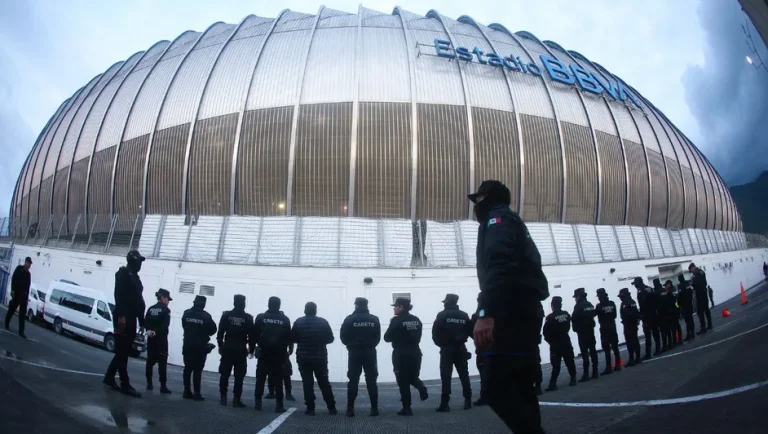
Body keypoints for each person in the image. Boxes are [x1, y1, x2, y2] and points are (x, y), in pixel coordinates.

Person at [469, 179, 548, 434]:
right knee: (522, 388)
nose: (475, 205)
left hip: (508, 312)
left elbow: (500, 265)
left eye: (478, 199)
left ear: (489, 198)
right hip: (525, 310)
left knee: (496, 389)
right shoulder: (512, 220)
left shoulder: (496, 221)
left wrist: (486, 312)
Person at [103, 250, 146, 398]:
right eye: (139, 261)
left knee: (124, 350)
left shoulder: (134, 276)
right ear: (133, 261)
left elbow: (138, 300)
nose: (140, 264)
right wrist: (121, 316)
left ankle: (109, 377)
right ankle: (124, 383)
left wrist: (141, 320)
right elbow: (120, 296)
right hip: (124, 316)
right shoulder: (124, 275)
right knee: (122, 350)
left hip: (132, 316)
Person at [384, 297, 428, 416]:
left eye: (395, 306)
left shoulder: (396, 321)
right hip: (415, 352)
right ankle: (421, 387)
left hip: (401, 354)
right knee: (413, 376)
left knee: (402, 381)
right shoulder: (416, 320)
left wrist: (392, 326)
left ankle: (407, 408)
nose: (394, 309)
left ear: (401, 307)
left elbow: (387, 338)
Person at [292, 302, 337, 416]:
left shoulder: (298, 322)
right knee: (324, 383)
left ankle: (310, 408)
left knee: (307, 383)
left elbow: (293, 338)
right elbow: (330, 339)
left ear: (305, 310)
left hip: (303, 358)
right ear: (315, 310)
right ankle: (331, 407)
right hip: (320, 357)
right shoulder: (323, 322)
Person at [340, 297, 381, 417]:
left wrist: (350, 346)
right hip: (370, 352)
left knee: (353, 380)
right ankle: (374, 408)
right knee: (372, 380)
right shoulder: (374, 319)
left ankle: (350, 409)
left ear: (356, 305)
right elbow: (377, 337)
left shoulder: (349, 319)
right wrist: (371, 345)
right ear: (366, 305)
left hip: (354, 353)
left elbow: (343, 336)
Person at [432, 293, 473, 412]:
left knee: (446, 376)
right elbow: (471, 332)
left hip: (446, 349)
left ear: (446, 303)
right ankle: (468, 400)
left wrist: (441, 344)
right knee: (464, 375)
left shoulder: (442, 315)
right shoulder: (464, 315)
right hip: (461, 348)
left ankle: (445, 403)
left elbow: (435, 333)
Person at [252, 296, 292, 414]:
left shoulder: (261, 317)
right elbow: (289, 337)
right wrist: (289, 349)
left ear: (268, 304)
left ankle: (257, 403)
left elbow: (254, 334)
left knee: (260, 378)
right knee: (278, 379)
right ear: (279, 305)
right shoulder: (285, 319)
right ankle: (279, 405)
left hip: (264, 352)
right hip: (279, 354)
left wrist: (251, 348)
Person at [217, 294, 254, 408]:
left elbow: (220, 333)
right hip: (240, 350)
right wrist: (251, 350)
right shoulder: (248, 318)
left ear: (234, 302)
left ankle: (223, 398)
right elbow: (252, 336)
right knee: (239, 377)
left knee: (224, 374)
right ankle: (236, 400)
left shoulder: (226, 315)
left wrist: (220, 345)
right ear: (244, 303)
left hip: (227, 348)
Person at [181, 295, 217, 400]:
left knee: (187, 368)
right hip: (200, 346)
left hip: (187, 344)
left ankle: (186, 391)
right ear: (203, 304)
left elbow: (184, 325)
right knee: (197, 370)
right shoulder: (206, 316)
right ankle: (197, 393)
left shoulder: (186, 313)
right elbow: (212, 330)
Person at [542, 296, 577, 391]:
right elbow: (568, 327)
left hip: (555, 344)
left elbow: (545, 332)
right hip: (566, 340)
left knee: (556, 364)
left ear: (553, 305)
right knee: (569, 361)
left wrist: (550, 342)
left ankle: (553, 383)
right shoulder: (566, 314)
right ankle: (573, 378)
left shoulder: (550, 317)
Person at [145, 288, 172, 393]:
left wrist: (149, 331)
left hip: (151, 340)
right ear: (163, 298)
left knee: (149, 362)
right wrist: (156, 332)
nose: (168, 302)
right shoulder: (166, 310)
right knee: (162, 363)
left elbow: (145, 322)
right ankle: (163, 386)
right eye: (168, 299)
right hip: (161, 340)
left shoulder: (151, 309)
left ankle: (149, 383)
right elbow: (165, 326)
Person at [571, 287, 599, 382]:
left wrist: (575, 328)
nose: (575, 299)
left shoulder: (578, 306)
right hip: (591, 331)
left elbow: (574, 318)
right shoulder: (589, 304)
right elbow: (594, 314)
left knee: (585, 353)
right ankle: (595, 372)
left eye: (576, 297)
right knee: (593, 351)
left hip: (582, 332)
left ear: (578, 297)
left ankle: (586, 374)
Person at [632, 277, 660, 359]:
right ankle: (658, 348)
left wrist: (641, 314)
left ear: (638, 283)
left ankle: (648, 353)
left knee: (647, 334)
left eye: (635, 284)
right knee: (656, 332)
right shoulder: (650, 288)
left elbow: (642, 303)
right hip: (654, 312)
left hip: (647, 315)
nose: (635, 286)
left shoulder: (641, 290)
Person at [595, 288, 621, 375]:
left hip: (604, 329)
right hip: (612, 327)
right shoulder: (612, 303)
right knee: (615, 347)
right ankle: (618, 365)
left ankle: (609, 367)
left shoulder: (599, 306)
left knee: (606, 349)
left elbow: (593, 314)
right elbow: (615, 315)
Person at [4, 256, 32, 338]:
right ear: (25, 262)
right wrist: (13, 290)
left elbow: (28, 286)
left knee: (22, 314)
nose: (29, 265)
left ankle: (21, 331)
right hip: (17, 294)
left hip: (23, 296)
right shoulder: (19, 269)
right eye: (28, 263)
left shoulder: (28, 274)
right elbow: (14, 278)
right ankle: (7, 322)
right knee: (12, 309)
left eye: (30, 264)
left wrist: (27, 298)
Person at [469, 304, 488, 406]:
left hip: (482, 348)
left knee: (483, 374)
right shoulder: (498, 313)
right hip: (497, 348)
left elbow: (471, 330)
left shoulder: (476, 316)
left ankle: (485, 396)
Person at [618, 288, 641, 366]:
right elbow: (636, 313)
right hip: (634, 324)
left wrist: (626, 321)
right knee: (635, 340)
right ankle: (638, 357)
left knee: (630, 343)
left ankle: (632, 358)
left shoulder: (625, 303)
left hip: (628, 325)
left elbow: (626, 315)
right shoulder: (632, 301)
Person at [689, 263, 712, 333]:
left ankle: (703, 327)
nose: (691, 272)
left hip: (700, 293)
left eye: (691, 270)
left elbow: (697, 283)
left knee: (700, 311)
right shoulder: (700, 272)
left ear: (693, 268)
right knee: (706, 309)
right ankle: (709, 324)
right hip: (703, 292)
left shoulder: (698, 273)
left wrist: (692, 284)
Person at [654, 278, 672, 352]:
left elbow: (655, 304)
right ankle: (670, 343)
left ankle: (665, 345)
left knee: (663, 330)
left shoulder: (656, 292)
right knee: (668, 329)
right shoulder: (664, 290)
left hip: (660, 313)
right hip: (667, 311)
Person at [664, 280, 683, 346]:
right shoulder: (673, 291)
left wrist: (674, 309)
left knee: (674, 327)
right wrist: (677, 308)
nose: (665, 287)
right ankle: (679, 339)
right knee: (677, 326)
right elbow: (676, 302)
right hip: (675, 310)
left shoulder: (669, 292)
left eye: (666, 285)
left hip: (672, 312)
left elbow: (672, 302)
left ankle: (676, 340)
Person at [677, 274, 695, 341]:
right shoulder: (686, 284)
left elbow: (680, 296)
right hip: (688, 304)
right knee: (690, 319)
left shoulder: (681, 286)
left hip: (685, 305)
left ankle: (689, 334)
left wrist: (679, 304)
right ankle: (691, 333)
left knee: (688, 320)